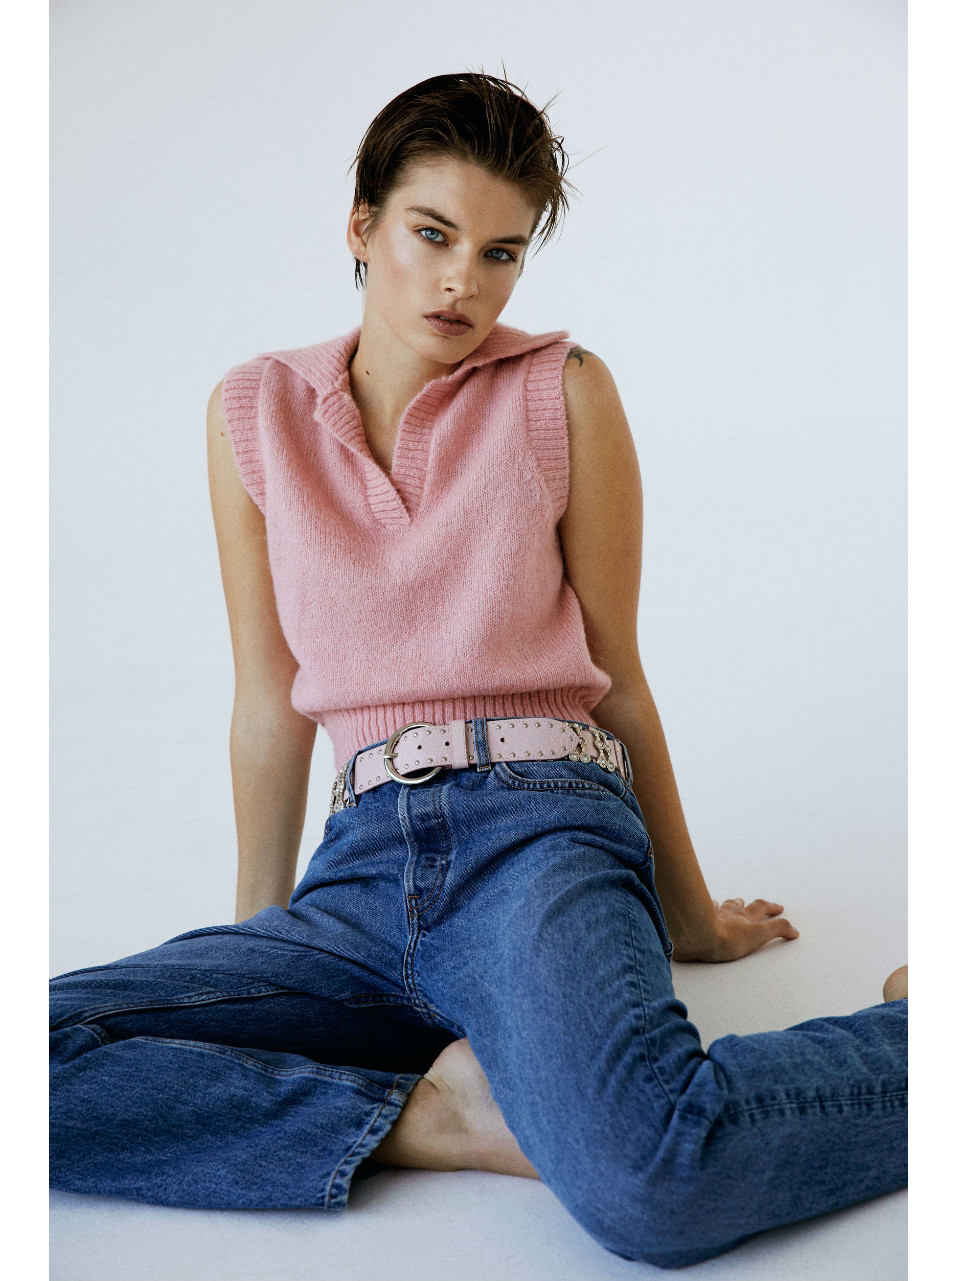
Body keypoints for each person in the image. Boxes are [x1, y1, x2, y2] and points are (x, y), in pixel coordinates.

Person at [49, 71, 908, 1270]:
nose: (464, 280)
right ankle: (435, 1120)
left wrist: (692, 916)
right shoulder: (254, 411)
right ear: (363, 227)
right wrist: (262, 935)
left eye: (501, 253)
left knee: (654, 1178)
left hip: (539, 829)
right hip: (357, 872)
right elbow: (265, 700)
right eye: (433, 234)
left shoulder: (563, 390)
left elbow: (617, 677)